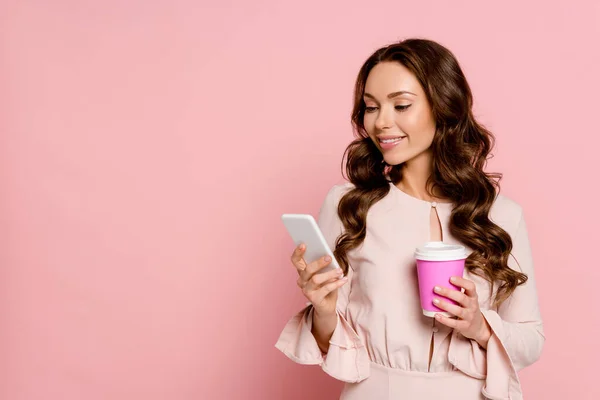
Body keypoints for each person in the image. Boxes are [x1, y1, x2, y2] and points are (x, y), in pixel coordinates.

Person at [275, 38, 545, 399]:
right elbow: (329, 344)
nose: (381, 123)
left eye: (401, 105)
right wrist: (323, 311)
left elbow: (531, 340)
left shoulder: (501, 216)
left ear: (443, 106)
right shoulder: (349, 206)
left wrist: (480, 327)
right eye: (371, 107)